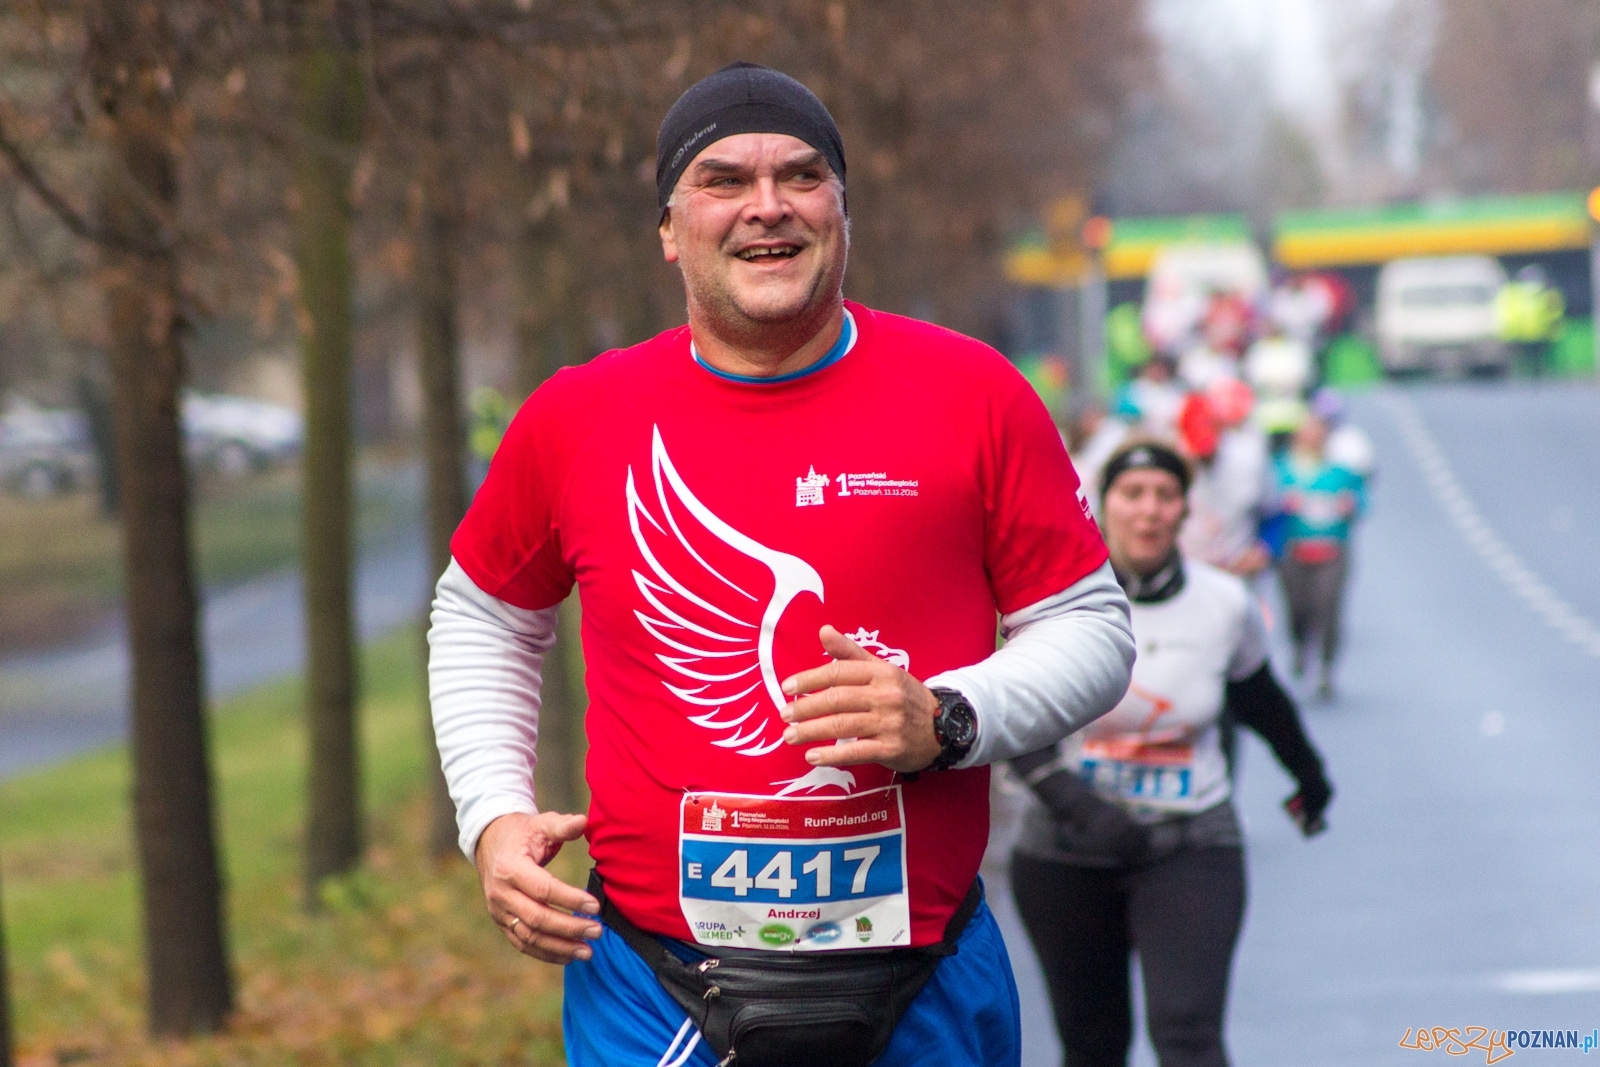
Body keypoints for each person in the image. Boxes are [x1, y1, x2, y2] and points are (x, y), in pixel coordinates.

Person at [427, 62, 1136, 1067]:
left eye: (801, 175)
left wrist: (948, 718)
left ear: (842, 211)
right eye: (723, 180)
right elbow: (484, 613)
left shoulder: (971, 392)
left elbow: (1091, 624)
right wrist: (493, 815)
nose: (767, 205)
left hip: (926, 978)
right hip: (656, 990)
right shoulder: (580, 417)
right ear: (669, 228)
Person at [1009, 439, 1333, 1067]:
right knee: (1093, 1046)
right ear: (1102, 505)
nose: (1149, 510)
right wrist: (1080, 807)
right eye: (1132, 494)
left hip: (1191, 844)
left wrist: (1309, 776)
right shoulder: (1055, 602)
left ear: (1186, 509)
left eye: (1165, 495)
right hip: (1065, 852)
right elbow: (1015, 722)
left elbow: (1261, 700)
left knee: (1188, 1036)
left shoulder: (1224, 604)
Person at [1271, 412, 1365, 700]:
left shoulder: (1341, 472)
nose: (1312, 437)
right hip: (1293, 550)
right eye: (1307, 431)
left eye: (1318, 432)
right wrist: (1283, 505)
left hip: (1331, 550)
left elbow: (1362, 500)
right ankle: (1300, 645)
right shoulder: (1280, 470)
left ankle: (1326, 668)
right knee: (1298, 607)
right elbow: (1264, 504)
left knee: (1328, 607)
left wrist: (1350, 506)